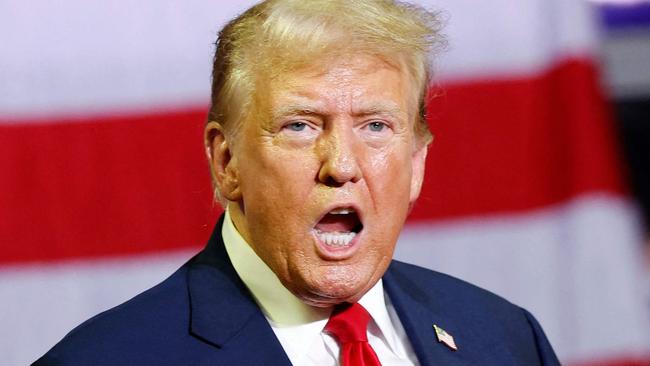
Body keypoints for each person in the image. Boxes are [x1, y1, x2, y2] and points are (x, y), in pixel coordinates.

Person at [34, 0, 560, 365]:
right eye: (300, 126)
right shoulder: (106, 359)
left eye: (375, 126)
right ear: (227, 161)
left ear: (417, 161)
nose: (341, 165)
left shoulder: (506, 338)